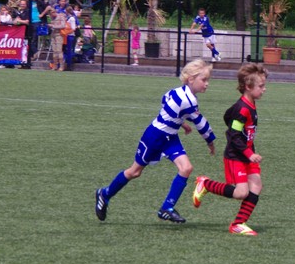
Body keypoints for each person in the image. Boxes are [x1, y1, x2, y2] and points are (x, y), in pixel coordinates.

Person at [96, 59, 217, 224]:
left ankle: (166, 208)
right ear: (191, 79)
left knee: (186, 168)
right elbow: (201, 123)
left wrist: (181, 123)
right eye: (204, 80)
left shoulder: (177, 91)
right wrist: (210, 141)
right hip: (155, 136)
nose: (207, 83)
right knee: (134, 172)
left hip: (170, 137)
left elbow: (164, 100)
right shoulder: (189, 101)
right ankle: (104, 194)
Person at [191, 63, 267, 236]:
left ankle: (238, 224)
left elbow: (227, 115)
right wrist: (249, 153)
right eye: (261, 86)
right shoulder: (242, 109)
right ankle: (205, 184)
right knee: (241, 193)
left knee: (256, 185)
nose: (264, 89)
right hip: (236, 155)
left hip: (247, 154)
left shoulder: (249, 104)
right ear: (248, 87)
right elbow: (233, 135)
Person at [62, 6, 78, 71]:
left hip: (70, 36)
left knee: (69, 51)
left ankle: (69, 65)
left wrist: (66, 32)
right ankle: (64, 64)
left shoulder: (72, 18)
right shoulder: (67, 18)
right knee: (65, 50)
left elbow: (73, 28)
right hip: (66, 36)